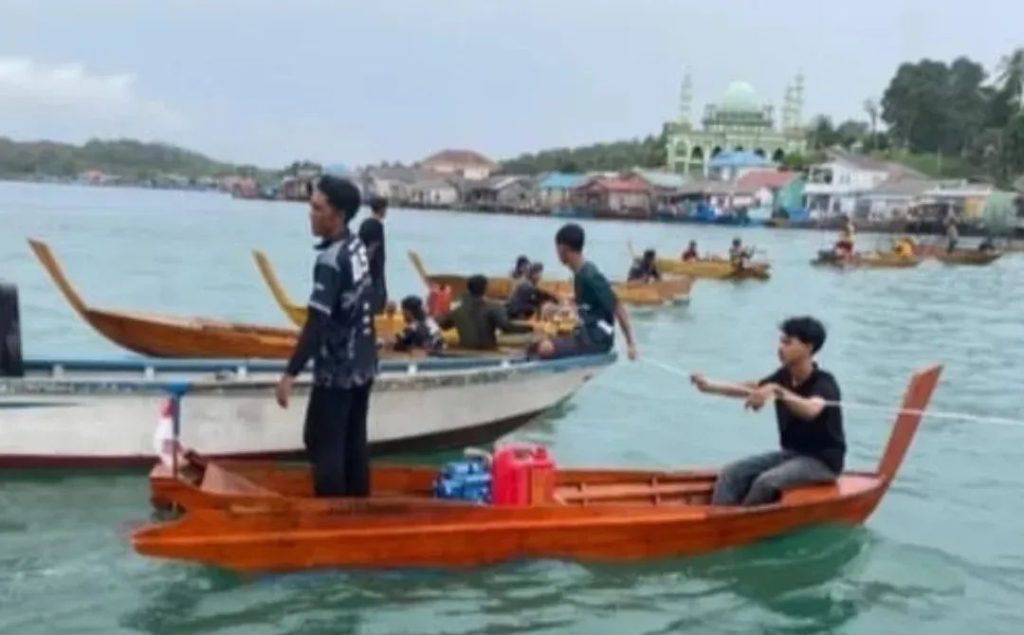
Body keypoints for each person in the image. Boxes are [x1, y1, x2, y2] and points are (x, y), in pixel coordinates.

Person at [276, 175, 377, 498]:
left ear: (339, 215)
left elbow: (317, 322)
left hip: (338, 368)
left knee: (321, 441)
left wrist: (290, 374)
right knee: (353, 439)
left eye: (318, 208)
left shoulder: (331, 261)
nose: (311, 214)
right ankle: (357, 504)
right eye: (311, 207)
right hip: (364, 361)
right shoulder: (356, 246)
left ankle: (332, 511)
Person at [690, 316, 844, 506]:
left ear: (808, 347)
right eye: (781, 341)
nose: (780, 348)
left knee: (766, 482)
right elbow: (753, 388)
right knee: (731, 474)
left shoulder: (824, 382)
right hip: (792, 454)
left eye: (788, 342)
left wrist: (777, 390)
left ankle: (744, 520)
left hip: (823, 463)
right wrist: (710, 386)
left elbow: (811, 409)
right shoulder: (783, 376)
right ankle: (719, 516)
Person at [532, 223, 638, 360]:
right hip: (585, 331)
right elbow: (586, 304)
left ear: (563, 249)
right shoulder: (580, 274)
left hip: (598, 338)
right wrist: (558, 307)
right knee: (537, 341)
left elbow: (618, 307)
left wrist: (631, 344)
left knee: (544, 348)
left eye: (557, 248)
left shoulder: (590, 275)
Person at [437, 275, 533, 350]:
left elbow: (443, 325)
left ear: (468, 289)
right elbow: (506, 327)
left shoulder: (457, 311)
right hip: (488, 352)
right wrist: (529, 328)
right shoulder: (493, 307)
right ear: (485, 288)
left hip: (466, 352)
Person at [358, 196, 388, 314]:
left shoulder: (364, 223)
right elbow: (373, 246)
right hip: (375, 267)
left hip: (363, 266)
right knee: (379, 296)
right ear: (382, 209)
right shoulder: (377, 226)